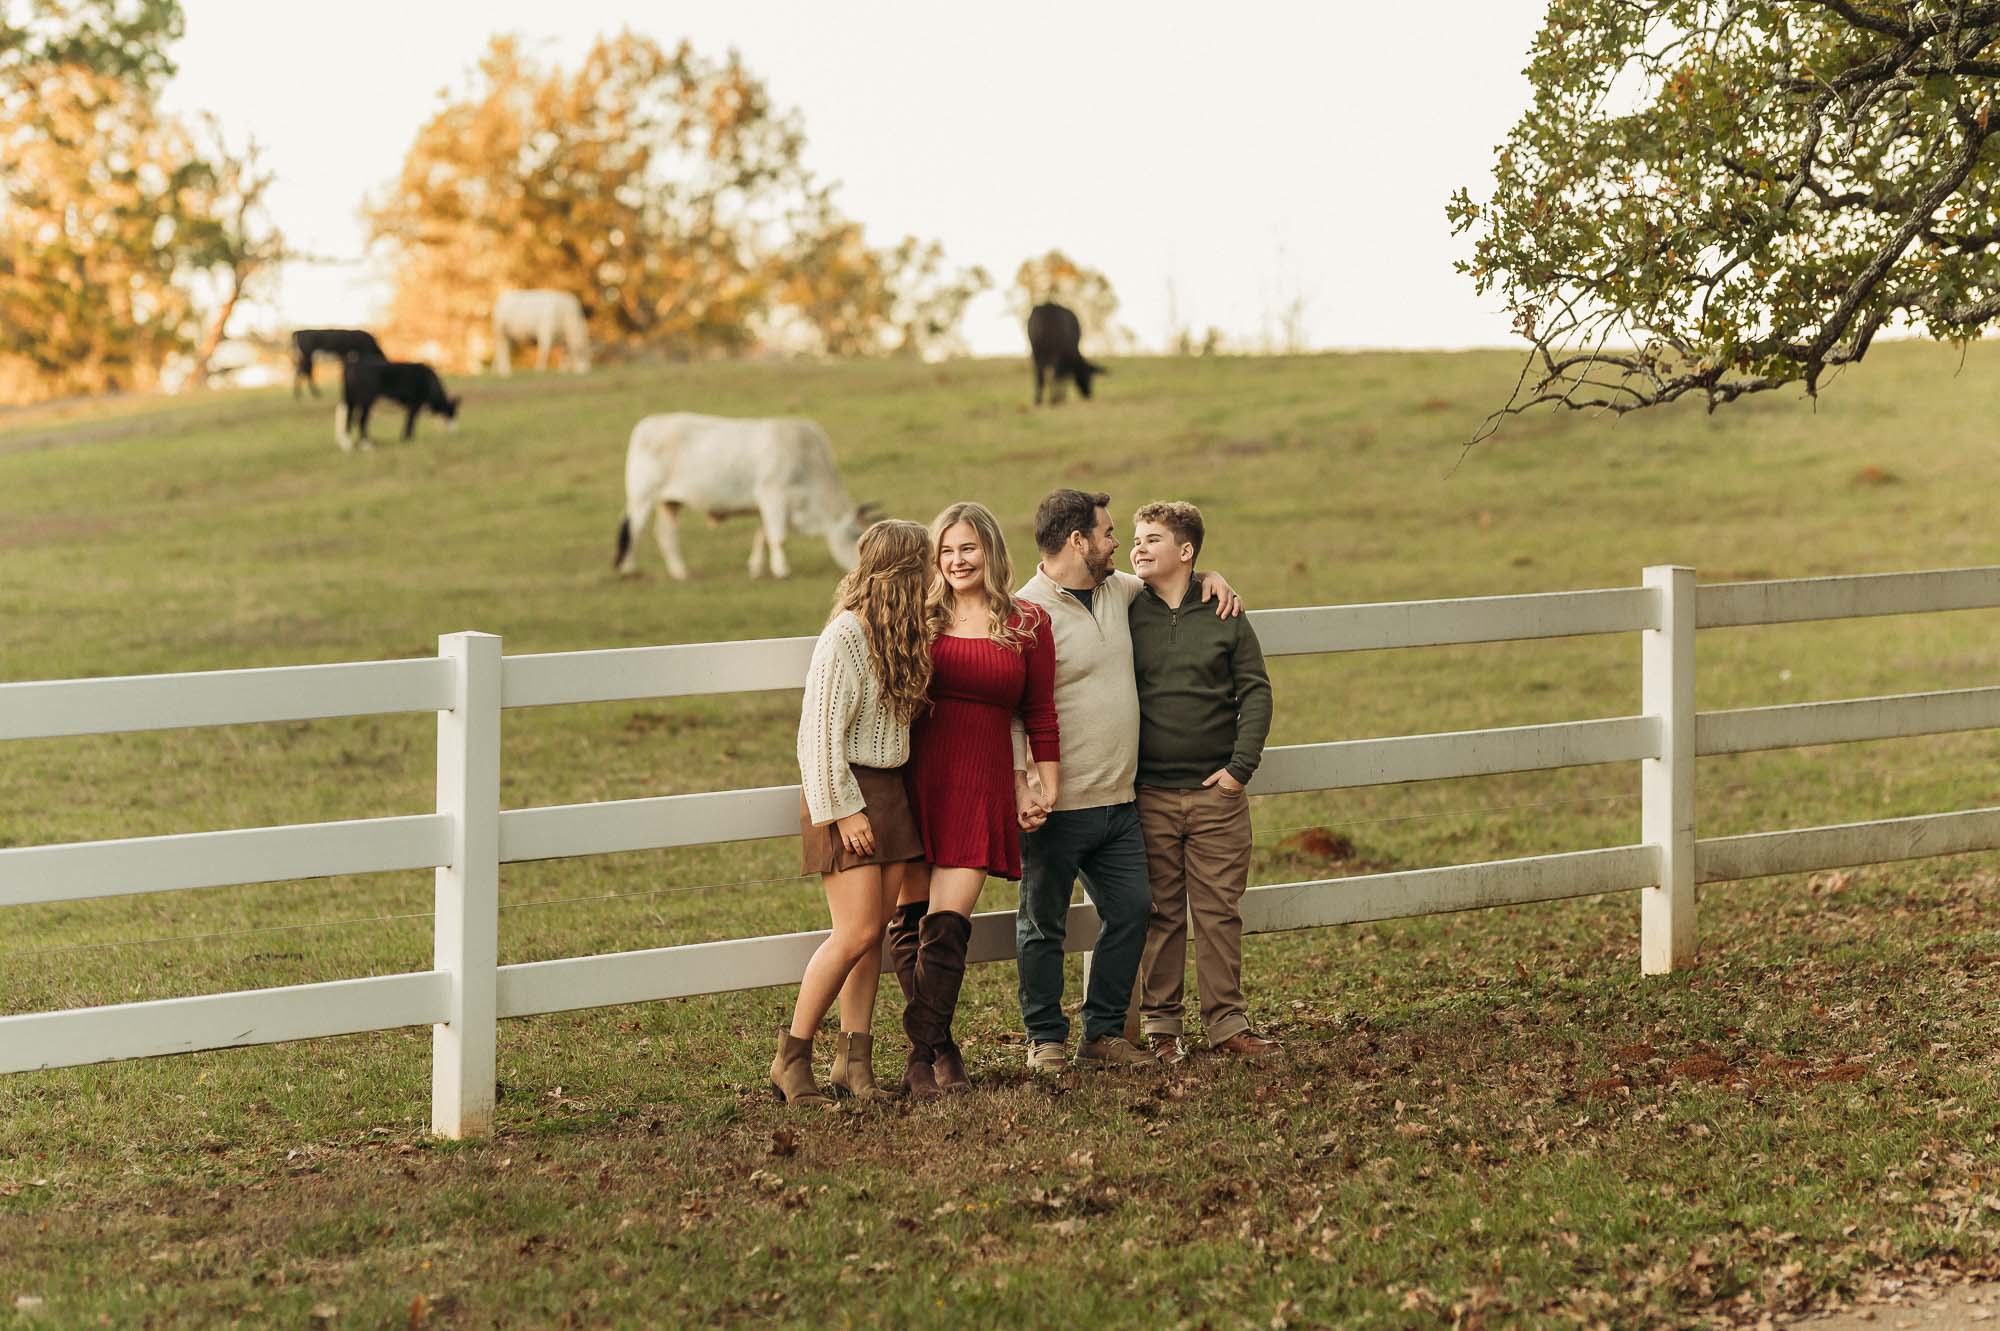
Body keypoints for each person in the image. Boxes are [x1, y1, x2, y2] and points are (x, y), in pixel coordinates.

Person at [1010, 489, 1239, 1073]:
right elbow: (1011, 710)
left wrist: (1210, 577)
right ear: (1077, 541)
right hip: (1056, 804)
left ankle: (1103, 1033)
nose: (1118, 544)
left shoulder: (1120, 590)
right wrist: (1021, 783)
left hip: (1120, 803)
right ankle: (1045, 1038)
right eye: (1108, 533)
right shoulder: (1025, 612)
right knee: (1043, 924)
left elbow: (1172, 580)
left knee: (1135, 910)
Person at [895, 501, 1060, 1100]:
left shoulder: (1027, 623)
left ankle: (921, 1054)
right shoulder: (918, 616)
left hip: (978, 782)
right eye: (946, 550)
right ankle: (937, 1054)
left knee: (947, 924)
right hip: (914, 776)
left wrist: (1044, 784)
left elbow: (1040, 713)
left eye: (967, 548)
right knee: (911, 920)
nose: (957, 560)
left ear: (990, 549)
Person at [772, 519, 936, 1106]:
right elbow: (817, 738)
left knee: (875, 939)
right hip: (847, 792)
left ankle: (853, 1064)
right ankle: (791, 1059)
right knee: (856, 931)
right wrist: (843, 811)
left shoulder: (902, 633)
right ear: (905, 571)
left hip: (890, 793)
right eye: (928, 565)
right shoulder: (845, 634)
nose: (935, 575)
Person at [1128, 501, 1278, 1061]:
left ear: (1186, 551)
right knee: (1160, 913)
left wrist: (1239, 770)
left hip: (1216, 795)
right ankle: (1163, 1028)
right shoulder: (1125, 606)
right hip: (1148, 794)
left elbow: (1256, 690)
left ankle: (1227, 1024)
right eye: (1136, 539)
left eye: (1152, 539)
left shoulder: (1223, 611)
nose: (1138, 548)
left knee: (1218, 912)